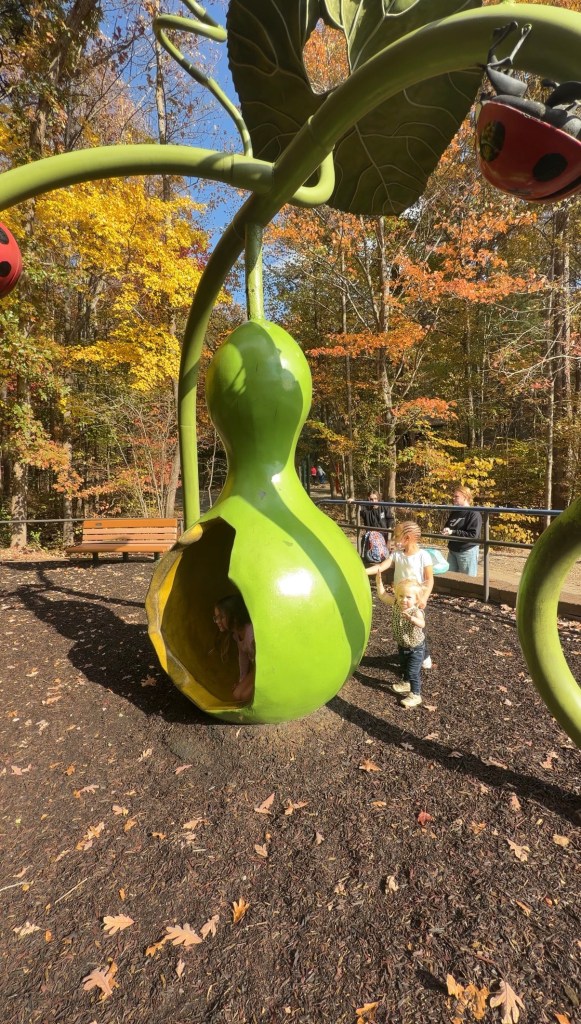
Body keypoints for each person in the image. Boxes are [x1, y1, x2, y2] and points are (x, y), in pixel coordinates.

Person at [366, 520, 434, 669]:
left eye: (396, 536)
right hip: (402, 597)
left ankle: (424, 654)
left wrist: (424, 598)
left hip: (416, 599)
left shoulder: (423, 556)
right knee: (403, 627)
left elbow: (429, 580)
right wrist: (363, 572)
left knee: (419, 629)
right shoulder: (397, 555)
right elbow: (381, 566)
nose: (394, 539)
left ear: (407, 538)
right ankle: (408, 653)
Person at [373, 576, 426, 708]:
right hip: (402, 645)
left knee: (413, 672)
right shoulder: (396, 604)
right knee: (403, 667)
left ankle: (416, 695)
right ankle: (406, 683)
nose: (404, 600)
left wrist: (412, 619)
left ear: (416, 599)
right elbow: (383, 596)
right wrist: (379, 583)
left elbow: (422, 624)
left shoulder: (416, 612)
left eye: (409, 597)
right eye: (401, 596)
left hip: (416, 648)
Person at [213, 594, 255, 702]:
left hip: (267, 670)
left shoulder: (251, 635)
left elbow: (266, 661)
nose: (217, 621)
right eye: (216, 618)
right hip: (257, 669)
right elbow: (243, 658)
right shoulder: (236, 634)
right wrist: (242, 681)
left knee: (244, 696)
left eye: (221, 617)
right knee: (236, 695)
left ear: (235, 617)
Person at [442, 485, 482, 576]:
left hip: (467, 550)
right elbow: (449, 526)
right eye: (454, 496)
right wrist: (446, 529)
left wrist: (452, 532)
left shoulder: (474, 513)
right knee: (450, 577)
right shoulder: (455, 511)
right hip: (453, 549)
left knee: (468, 581)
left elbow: (473, 535)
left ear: (465, 497)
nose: (453, 498)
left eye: (456, 496)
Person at [358, 490, 395, 559]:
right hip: (371, 534)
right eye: (371, 499)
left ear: (378, 498)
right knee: (371, 552)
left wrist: (389, 527)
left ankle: (384, 558)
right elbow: (358, 503)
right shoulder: (366, 508)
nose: (373, 501)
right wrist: (353, 500)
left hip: (383, 533)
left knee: (385, 551)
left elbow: (390, 518)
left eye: (375, 499)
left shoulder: (384, 506)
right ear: (368, 499)